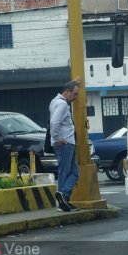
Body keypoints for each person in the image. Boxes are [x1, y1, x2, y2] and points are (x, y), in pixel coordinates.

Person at [50, 78, 82, 212]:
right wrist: (57, 138)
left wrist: (75, 82)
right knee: (65, 172)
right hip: (65, 143)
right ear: (67, 92)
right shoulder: (62, 104)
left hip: (67, 142)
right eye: (74, 94)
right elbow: (54, 122)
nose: (76, 97)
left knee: (74, 173)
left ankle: (64, 201)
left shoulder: (55, 101)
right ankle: (62, 199)